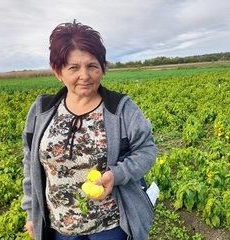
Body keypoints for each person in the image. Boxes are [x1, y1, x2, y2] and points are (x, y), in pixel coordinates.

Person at [21, 20, 157, 240]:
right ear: (58, 71)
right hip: (59, 227)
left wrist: (117, 174)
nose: (84, 76)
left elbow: (146, 150)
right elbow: (30, 164)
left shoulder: (122, 110)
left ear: (102, 67)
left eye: (92, 66)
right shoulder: (41, 111)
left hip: (112, 226)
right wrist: (31, 212)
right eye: (73, 67)